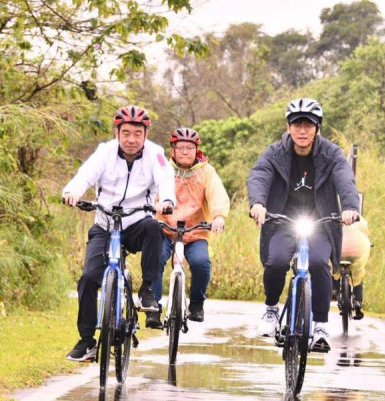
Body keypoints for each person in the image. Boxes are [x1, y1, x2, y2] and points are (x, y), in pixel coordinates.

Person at [62, 105, 175, 362]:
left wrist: (166, 200)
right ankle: (87, 341)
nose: (131, 139)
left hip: (136, 222)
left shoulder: (155, 154)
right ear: (117, 132)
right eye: (126, 133)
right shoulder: (105, 152)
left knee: (154, 228)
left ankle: (147, 290)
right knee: (89, 279)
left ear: (146, 134)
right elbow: (85, 175)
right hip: (105, 223)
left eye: (137, 133)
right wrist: (73, 191)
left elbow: (166, 179)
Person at [248, 97, 360, 351]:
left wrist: (351, 207)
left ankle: (320, 325)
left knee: (320, 263)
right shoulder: (275, 152)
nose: (302, 130)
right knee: (276, 261)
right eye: (296, 124)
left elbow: (344, 178)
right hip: (283, 220)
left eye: (308, 125)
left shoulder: (331, 153)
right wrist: (258, 204)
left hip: (320, 221)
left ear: (317, 129)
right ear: (288, 127)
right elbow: (260, 175)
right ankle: (270, 310)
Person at [151, 127, 230, 324]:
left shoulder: (206, 172)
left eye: (189, 148)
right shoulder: (163, 169)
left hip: (196, 231)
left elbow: (217, 193)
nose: (185, 152)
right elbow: (151, 193)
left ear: (197, 151)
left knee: (201, 263)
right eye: (181, 148)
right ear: (173, 151)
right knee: (157, 258)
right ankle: (153, 305)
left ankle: (196, 304)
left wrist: (218, 216)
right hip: (165, 228)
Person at [333, 214, 370, 319]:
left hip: (339, 252)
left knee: (333, 265)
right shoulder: (358, 218)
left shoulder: (333, 215)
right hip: (356, 252)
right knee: (358, 271)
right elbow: (365, 233)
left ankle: (334, 290)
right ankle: (357, 300)